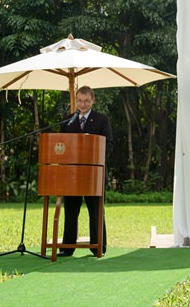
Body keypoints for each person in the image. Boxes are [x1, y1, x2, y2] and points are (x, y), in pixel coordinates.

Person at [58, 85, 113, 257]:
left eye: (86, 101)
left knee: (95, 210)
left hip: (93, 174)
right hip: (72, 175)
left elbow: (109, 144)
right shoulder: (67, 120)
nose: (82, 104)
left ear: (93, 101)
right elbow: (60, 145)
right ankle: (67, 247)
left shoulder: (101, 120)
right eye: (80, 101)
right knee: (71, 210)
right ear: (75, 100)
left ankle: (98, 246)